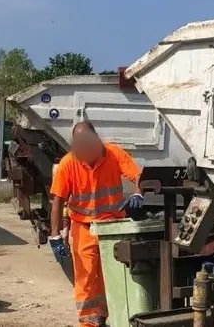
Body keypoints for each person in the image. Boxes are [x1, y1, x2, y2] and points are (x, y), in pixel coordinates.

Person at [48, 121, 144, 327]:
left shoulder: (113, 154)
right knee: (87, 277)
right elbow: (57, 200)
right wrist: (55, 236)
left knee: (117, 273)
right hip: (84, 228)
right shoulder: (68, 163)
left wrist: (138, 192)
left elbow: (139, 176)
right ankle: (89, 323)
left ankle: (117, 317)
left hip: (114, 225)